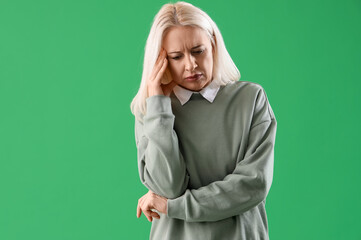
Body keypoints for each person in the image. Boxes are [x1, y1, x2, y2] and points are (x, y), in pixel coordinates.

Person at [130, 1, 277, 239]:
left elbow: (253, 184)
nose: (191, 65)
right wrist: (158, 107)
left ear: (214, 45)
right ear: (161, 60)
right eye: (176, 56)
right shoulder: (150, 110)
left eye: (198, 50)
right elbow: (168, 187)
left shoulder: (251, 100)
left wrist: (173, 207)